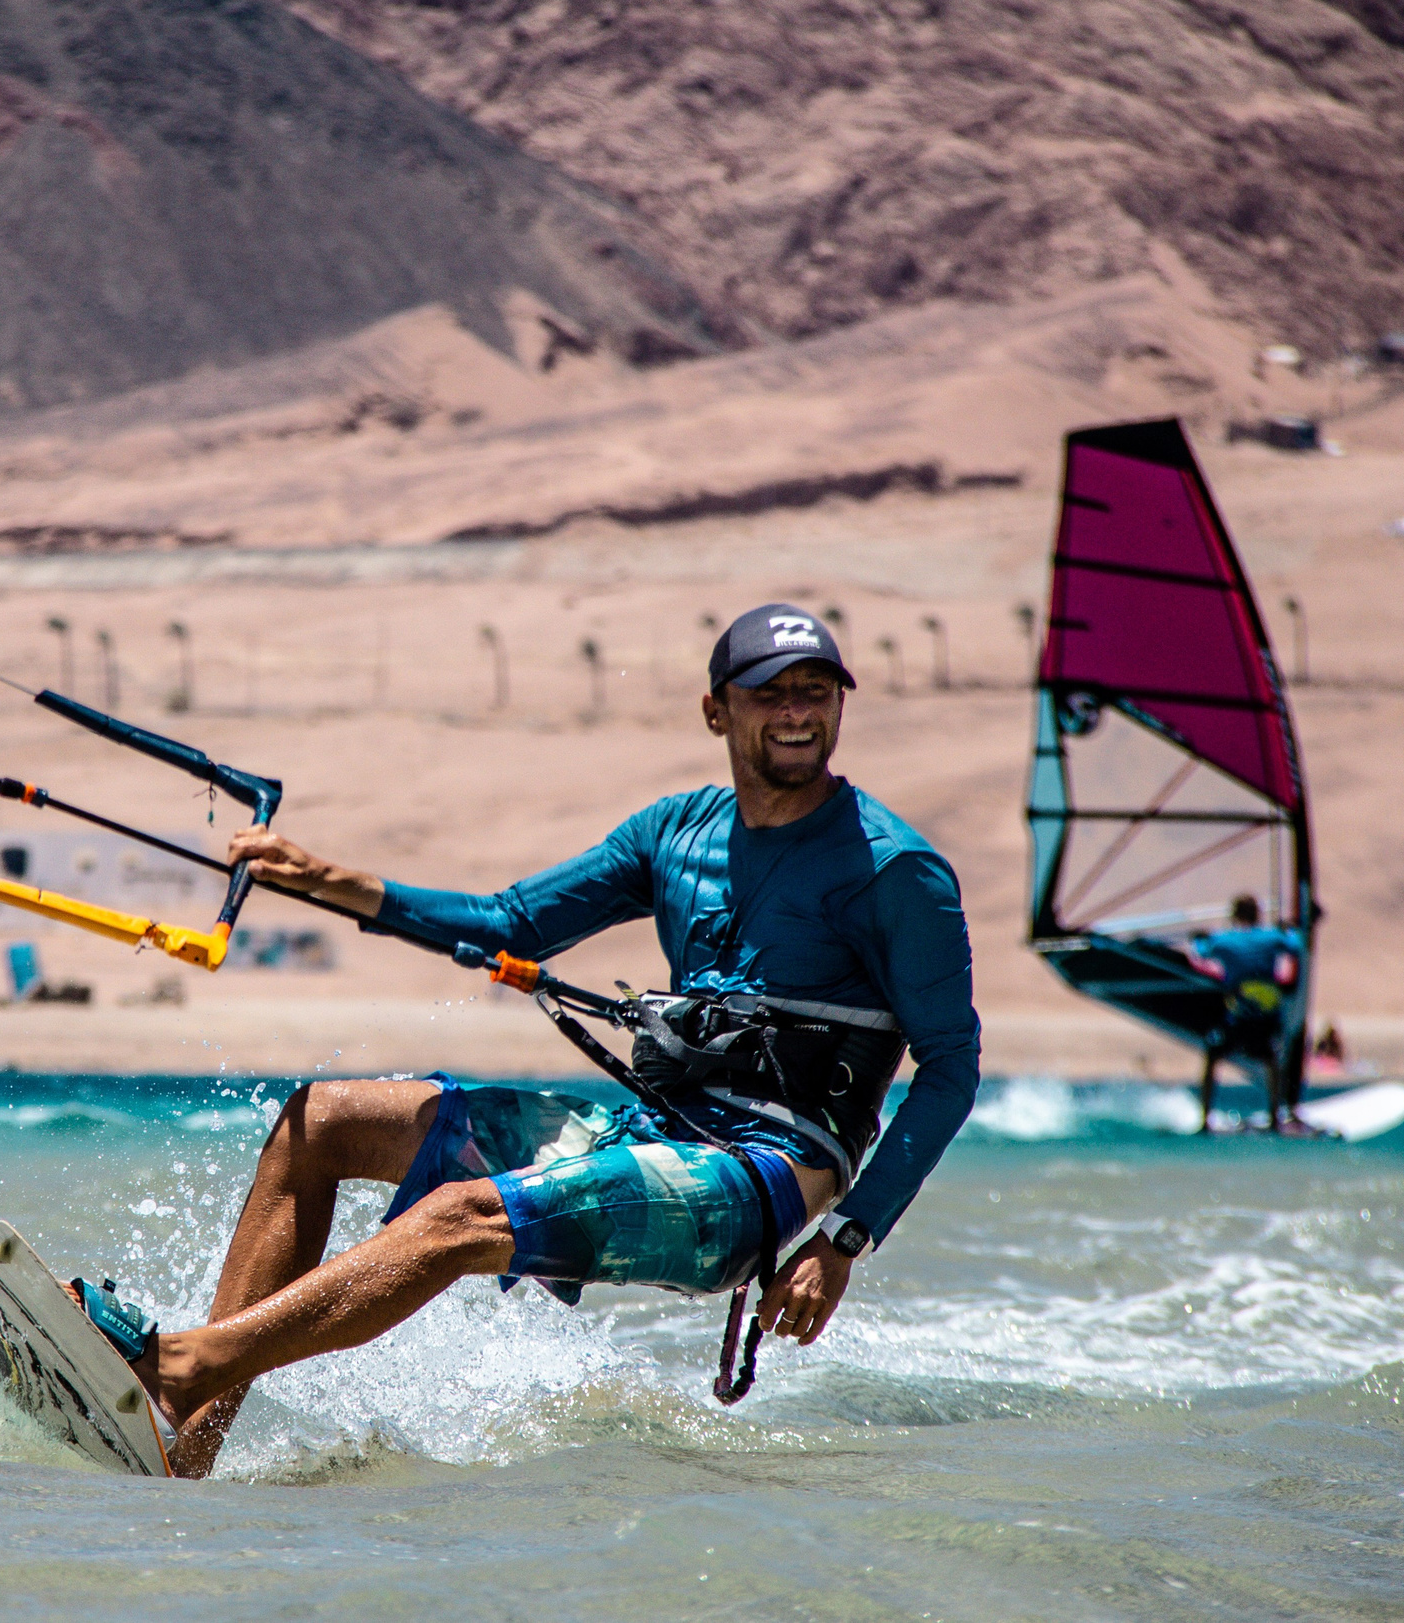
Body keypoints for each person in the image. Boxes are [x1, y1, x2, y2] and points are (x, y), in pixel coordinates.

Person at [68, 604, 981, 1478]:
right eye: (771, 691)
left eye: (817, 691)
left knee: (459, 1217)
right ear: (717, 709)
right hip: (656, 1135)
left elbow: (950, 1068)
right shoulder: (677, 833)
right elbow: (512, 920)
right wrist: (329, 880)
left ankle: (184, 1364)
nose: (797, 712)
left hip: (762, 1177)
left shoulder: (894, 869)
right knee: (325, 1119)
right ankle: (184, 1449)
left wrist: (845, 1241)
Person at [1187, 894, 1307, 1131]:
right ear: (1258, 915)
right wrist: (1290, 930)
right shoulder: (1272, 937)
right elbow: (1297, 945)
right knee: (1271, 1058)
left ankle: (1204, 1120)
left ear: (1235, 915)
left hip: (1239, 1016)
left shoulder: (1225, 941)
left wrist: (1199, 938)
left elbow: (1200, 952)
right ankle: (1275, 1119)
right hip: (1266, 1017)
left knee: (1213, 1057)